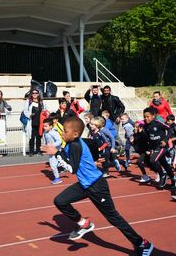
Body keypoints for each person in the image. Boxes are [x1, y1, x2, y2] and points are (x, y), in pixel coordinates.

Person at [41, 116, 153, 256]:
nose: (62, 133)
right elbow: (92, 144)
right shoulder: (71, 143)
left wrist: (56, 153)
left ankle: (143, 243)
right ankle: (84, 224)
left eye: (65, 131)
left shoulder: (75, 144)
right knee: (60, 201)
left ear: (75, 134)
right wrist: (94, 158)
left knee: (114, 218)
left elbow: (72, 170)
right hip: (84, 184)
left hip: (97, 186)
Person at [143, 107, 175, 188]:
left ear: (153, 116)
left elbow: (170, 129)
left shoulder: (158, 123)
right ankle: (173, 179)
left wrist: (165, 140)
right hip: (155, 148)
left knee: (153, 160)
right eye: (144, 117)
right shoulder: (146, 126)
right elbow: (149, 139)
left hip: (162, 146)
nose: (146, 118)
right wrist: (150, 149)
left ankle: (162, 175)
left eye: (148, 116)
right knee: (165, 164)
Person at [23, 88, 45, 157]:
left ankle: (39, 151)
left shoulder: (41, 102)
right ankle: (31, 151)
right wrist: (29, 115)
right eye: (33, 93)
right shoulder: (28, 101)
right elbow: (25, 111)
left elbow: (45, 109)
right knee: (31, 138)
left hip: (40, 123)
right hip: (31, 122)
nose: (34, 94)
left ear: (38, 94)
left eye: (36, 93)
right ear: (31, 94)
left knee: (39, 138)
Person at [43, 118, 63, 184]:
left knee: (53, 165)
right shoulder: (45, 133)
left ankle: (58, 179)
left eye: (46, 126)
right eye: (44, 126)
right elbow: (46, 140)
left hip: (55, 150)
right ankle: (62, 163)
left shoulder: (54, 132)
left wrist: (52, 145)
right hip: (50, 150)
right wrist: (46, 147)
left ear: (51, 126)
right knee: (52, 164)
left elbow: (59, 141)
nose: (44, 127)